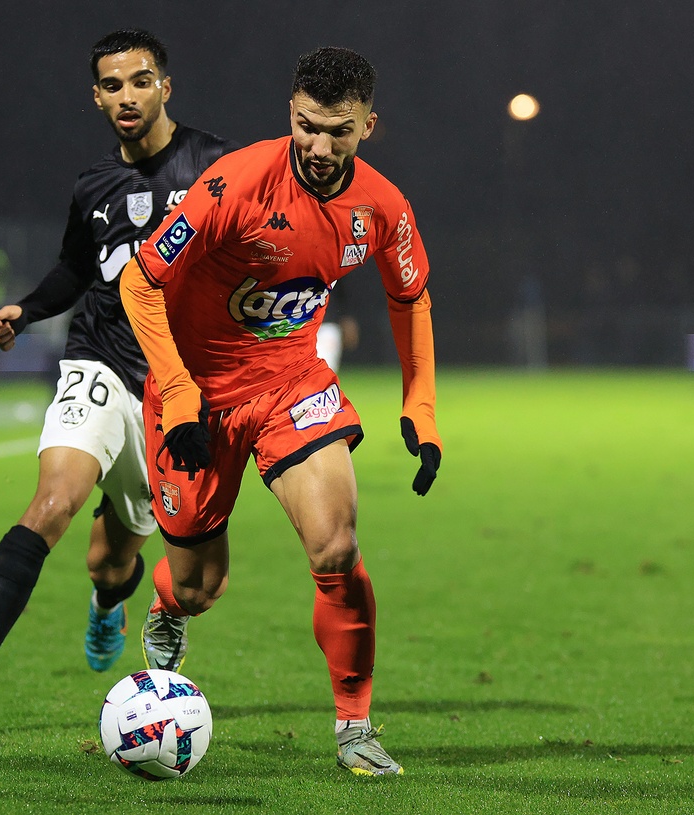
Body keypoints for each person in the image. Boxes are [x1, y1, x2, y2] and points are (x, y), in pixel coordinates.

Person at [119, 47, 442, 777]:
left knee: (336, 548)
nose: (321, 148)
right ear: (288, 113)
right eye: (307, 127)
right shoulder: (233, 184)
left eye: (340, 131)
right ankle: (168, 603)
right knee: (200, 585)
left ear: (368, 125)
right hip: (194, 391)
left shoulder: (382, 207)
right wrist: (176, 392)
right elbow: (141, 283)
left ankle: (354, 727)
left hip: (291, 383)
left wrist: (420, 408)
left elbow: (410, 295)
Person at [0, 29, 235, 731]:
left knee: (110, 559)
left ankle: (107, 601)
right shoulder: (93, 186)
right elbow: (76, 268)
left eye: (140, 80)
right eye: (112, 85)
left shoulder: (216, 163)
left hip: (173, 390)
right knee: (53, 500)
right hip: (97, 357)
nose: (126, 96)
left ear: (165, 86)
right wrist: (26, 307)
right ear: (95, 96)